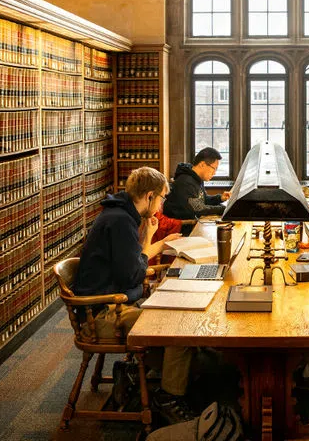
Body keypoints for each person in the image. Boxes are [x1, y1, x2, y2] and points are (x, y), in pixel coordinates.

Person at [73, 166, 197, 424]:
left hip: (111, 301)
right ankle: (168, 397)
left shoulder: (121, 214)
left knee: (184, 338)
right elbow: (132, 275)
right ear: (149, 195)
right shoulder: (120, 222)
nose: (162, 205)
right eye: (162, 198)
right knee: (179, 332)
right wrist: (140, 289)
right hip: (103, 314)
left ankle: (132, 372)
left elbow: (133, 265)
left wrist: (151, 238)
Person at [163, 147, 231, 234]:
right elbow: (199, 209)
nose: (214, 173)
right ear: (202, 164)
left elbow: (203, 199)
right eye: (214, 168)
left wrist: (220, 198)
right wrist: (224, 209)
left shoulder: (196, 178)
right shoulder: (186, 181)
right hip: (180, 230)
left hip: (190, 225)